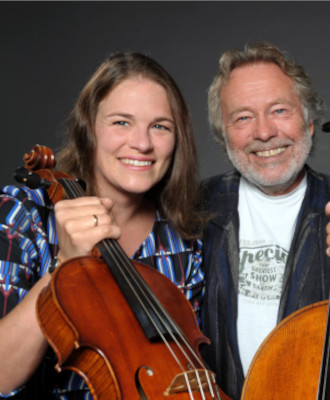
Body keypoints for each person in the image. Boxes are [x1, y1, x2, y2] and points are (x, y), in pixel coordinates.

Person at [0, 52, 208, 399]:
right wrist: (64, 266)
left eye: (160, 126)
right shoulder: (24, 214)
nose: (142, 143)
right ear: (88, 130)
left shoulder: (181, 239)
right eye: (121, 123)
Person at [201, 41, 330, 399]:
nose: (263, 132)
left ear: (309, 123)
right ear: (224, 135)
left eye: (279, 110)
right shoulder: (194, 208)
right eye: (243, 117)